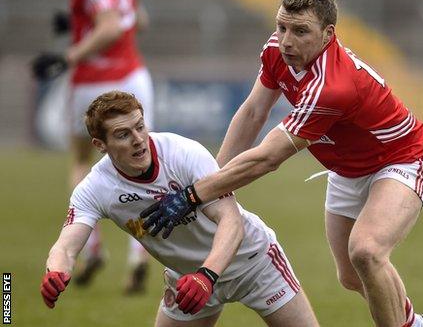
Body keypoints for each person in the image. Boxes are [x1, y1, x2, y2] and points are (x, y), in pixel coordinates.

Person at [140, 0, 423, 327]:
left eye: (300, 31)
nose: (286, 40)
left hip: (401, 158)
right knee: (352, 277)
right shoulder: (276, 50)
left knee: (367, 251)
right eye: (281, 26)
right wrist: (213, 182)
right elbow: (253, 112)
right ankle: (415, 324)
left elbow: (268, 157)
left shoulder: (332, 86)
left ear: (328, 34)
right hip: (347, 168)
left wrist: (194, 194)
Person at [40, 91, 319, 327]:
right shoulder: (95, 188)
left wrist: (207, 276)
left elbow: (231, 221)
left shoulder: (183, 153)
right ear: (100, 145)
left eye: (140, 126)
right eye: (123, 134)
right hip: (187, 278)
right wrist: (56, 271)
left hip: (252, 263)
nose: (138, 139)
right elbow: (66, 246)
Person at [32, 0, 155, 291]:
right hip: (133, 75)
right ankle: (140, 256)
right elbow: (137, 21)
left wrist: (67, 55)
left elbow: (111, 26)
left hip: (93, 81)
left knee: (81, 160)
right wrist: (78, 24)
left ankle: (92, 249)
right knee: (146, 163)